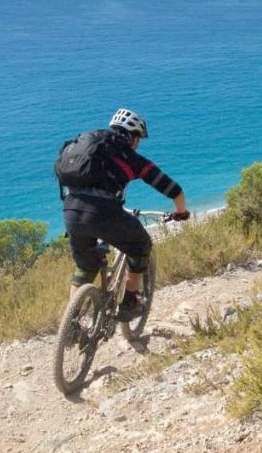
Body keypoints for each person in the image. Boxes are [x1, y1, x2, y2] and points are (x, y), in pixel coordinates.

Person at [61, 109, 188, 335]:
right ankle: (130, 301)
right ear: (134, 136)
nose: (138, 144)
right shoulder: (130, 156)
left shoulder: (90, 150)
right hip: (103, 212)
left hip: (71, 209)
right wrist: (181, 211)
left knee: (85, 265)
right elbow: (171, 188)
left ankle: (70, 325)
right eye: (139, 139)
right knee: (140, 246)